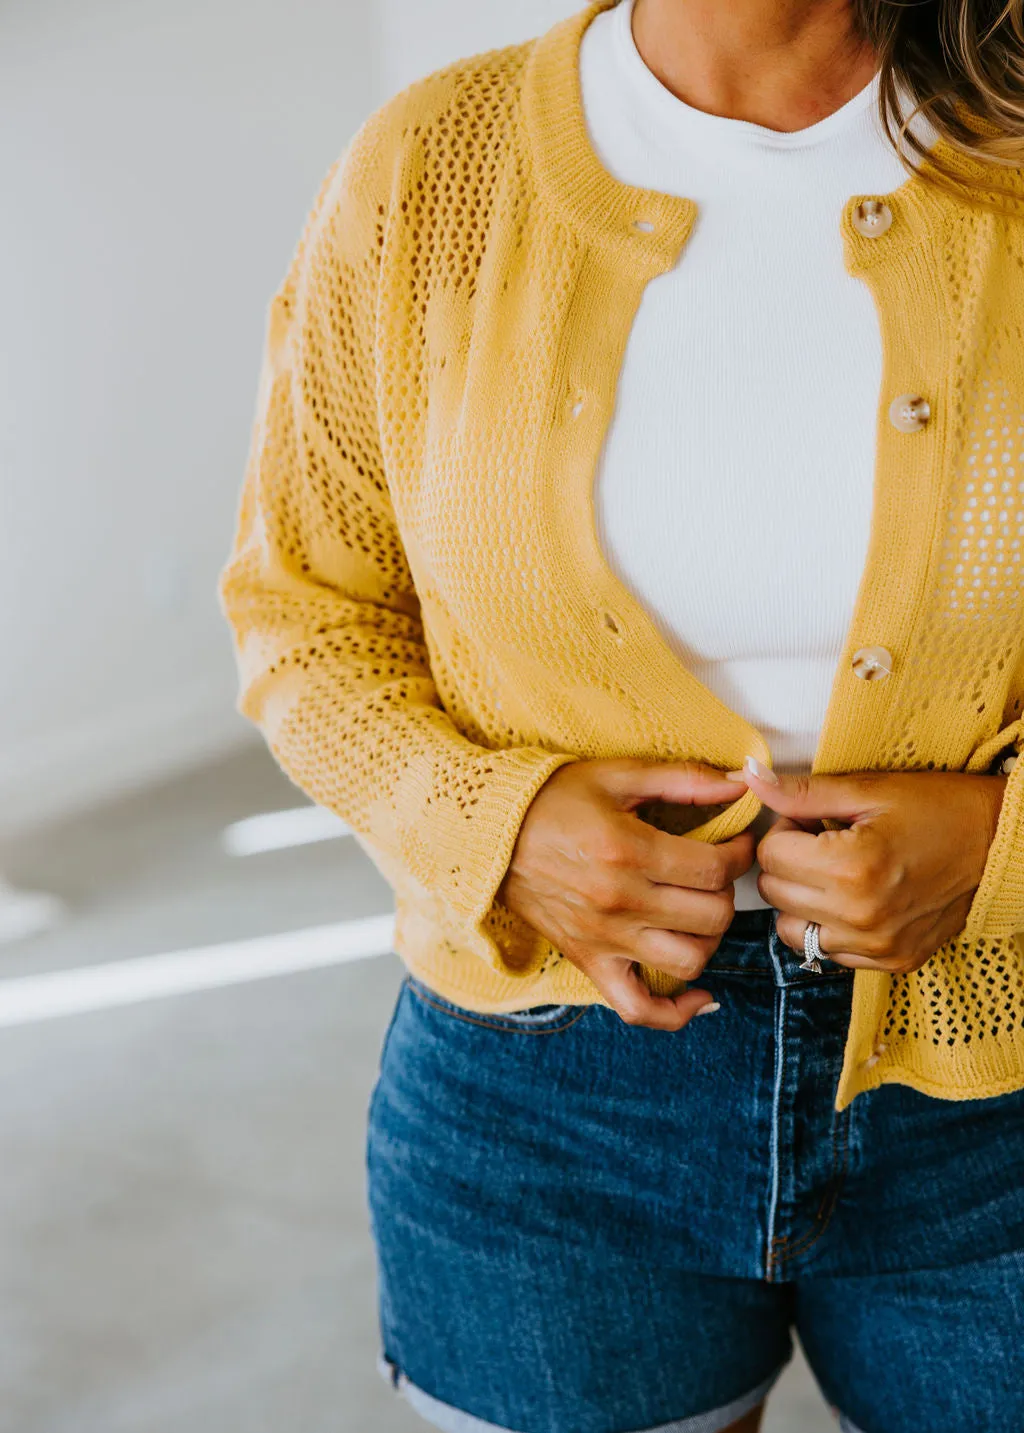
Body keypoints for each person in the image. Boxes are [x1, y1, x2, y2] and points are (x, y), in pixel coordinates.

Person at [219, 1, 1024, 1428]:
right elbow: (304, 615)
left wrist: (1002, 844)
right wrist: (499, 827)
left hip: (1002, 1078)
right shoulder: (432, 168)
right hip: (546, 1098)